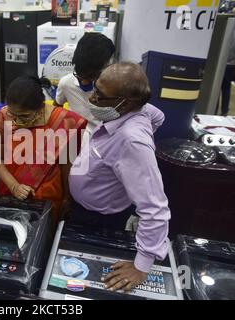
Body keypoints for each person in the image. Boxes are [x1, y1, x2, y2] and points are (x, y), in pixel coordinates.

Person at [68, 62, 170, 292]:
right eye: (95, 89)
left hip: (99, 218)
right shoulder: (141, 110)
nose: (92, 99)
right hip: (84, 207)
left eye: (100, 96)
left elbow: (155, 209)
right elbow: (159, 117)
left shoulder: (132, 142)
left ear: (127, 103)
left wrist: (141, 266)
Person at [0, 76, 87, 222]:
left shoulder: (66, 121)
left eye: (24, 116)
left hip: (48, 197)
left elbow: (67, 164)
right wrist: (14, 186)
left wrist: (68, 197)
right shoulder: (4, 115)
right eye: (13, 115)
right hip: (9, 191)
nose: (17, 121)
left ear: (41, 107)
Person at [55, 32, 115, 143]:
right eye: (81, 75)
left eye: (92, 76)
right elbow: (57, 106)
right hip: (76, 137)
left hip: (102, 139)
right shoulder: (66, 83)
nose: (84, 81)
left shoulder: (111, 87)